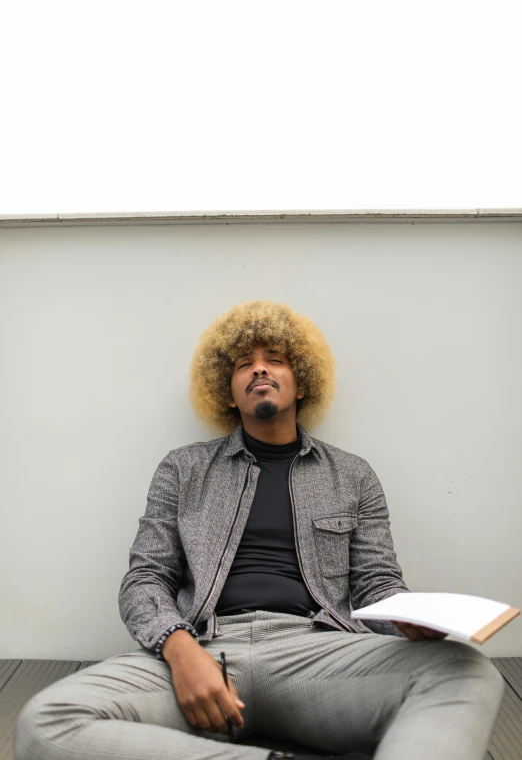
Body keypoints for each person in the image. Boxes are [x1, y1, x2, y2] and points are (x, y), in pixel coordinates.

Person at [14, 300, 504, 760]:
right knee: (46, 722)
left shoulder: (353, 475)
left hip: (319, 651)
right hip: (202, 649)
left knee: (468, 671)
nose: (260, 368)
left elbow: (376, 584)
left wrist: (405, 619)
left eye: (276, 359)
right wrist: (178, 648)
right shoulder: (183, 469)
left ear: (303, 381)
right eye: (244, 363)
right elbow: (145, 579)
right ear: (228, 390)